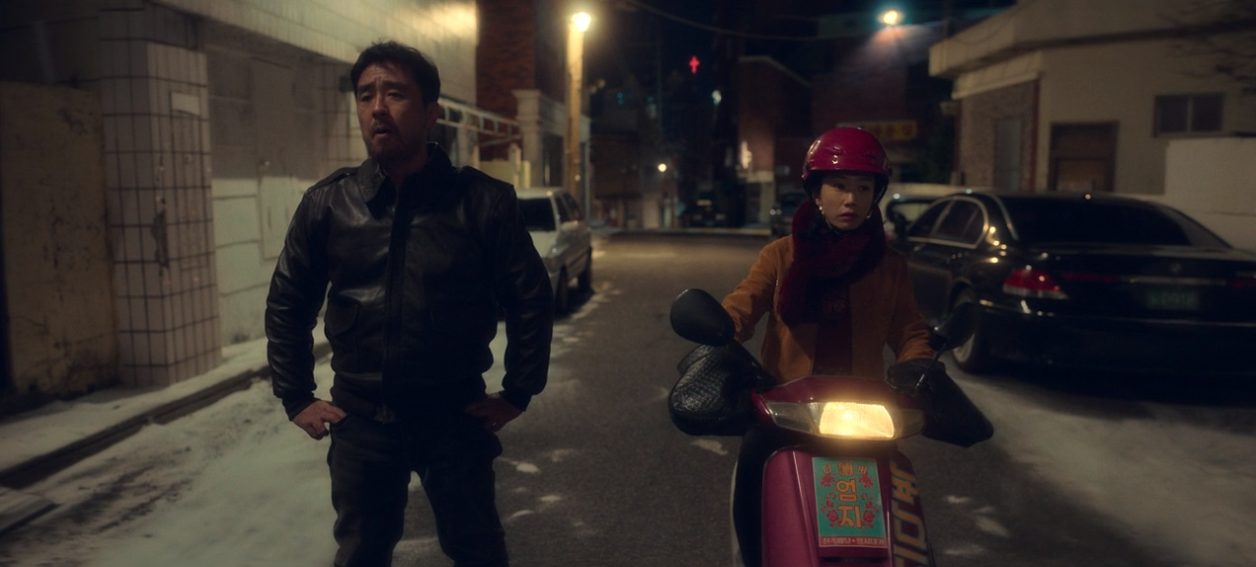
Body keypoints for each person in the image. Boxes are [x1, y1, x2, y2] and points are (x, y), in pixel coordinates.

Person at [265, 41, 553, 567]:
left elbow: (530, 299)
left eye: (395, 94)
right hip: (361, 421)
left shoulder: (481, 203)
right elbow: (288, 302)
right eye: (365, 95)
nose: (377, 108)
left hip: (454, 417)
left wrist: (518, 391)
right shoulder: (329, 204)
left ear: (430, 112)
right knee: (361, 554)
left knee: (477, 550)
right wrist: (296, 395)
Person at [720, 127, 934, 567]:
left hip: (865, 412)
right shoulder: (781, 255)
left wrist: (919, 366)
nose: (851, 199)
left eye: (863, 187)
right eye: (838, 186)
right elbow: (742, 305)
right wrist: (719, 331)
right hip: (787, 407)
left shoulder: (890, 266)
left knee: (895, 501)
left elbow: (911, 330)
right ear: (816, 192)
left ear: (876, 195)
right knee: (754, 468)